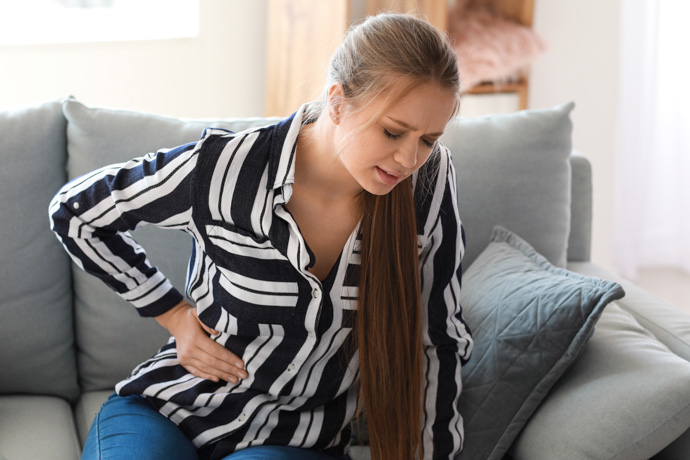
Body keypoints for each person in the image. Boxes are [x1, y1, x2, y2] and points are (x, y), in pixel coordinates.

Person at [50, 13, 473, 460]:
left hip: (297, 441)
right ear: (337, 101)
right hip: (170, 409)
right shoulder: (226, 168)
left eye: (428, 139)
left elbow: (439, 340)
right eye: (392, 131)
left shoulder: (429, 183)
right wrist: (173, 313)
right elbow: (77, 213)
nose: (409, 157)